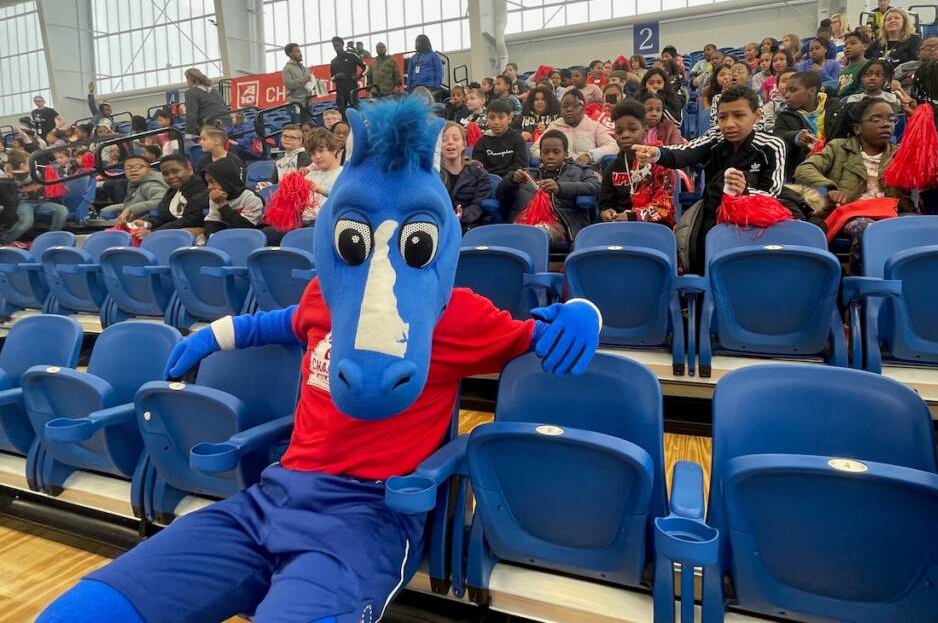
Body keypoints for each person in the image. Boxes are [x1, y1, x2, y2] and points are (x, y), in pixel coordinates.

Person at [40, 99, 602, 623]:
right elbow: (281, 322)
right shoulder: (324, 296)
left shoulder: (459, 316)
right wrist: (216, 332)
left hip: (370, 518)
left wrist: (583, 309)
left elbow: (535, 335)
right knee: (90, 606)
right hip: (272, 497)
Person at [632, 86, 795, 273]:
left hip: (758, 224)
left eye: (739, 115)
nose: (729, 124)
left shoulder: (772, 145)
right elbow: (686, 152)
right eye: (722, 117)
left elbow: (773, 194)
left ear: (757, 116)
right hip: (716, 217)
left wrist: (746, 191)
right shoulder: (714, 137)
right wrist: (657, 153)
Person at [795, 98, 913, 267]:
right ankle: (864, 282)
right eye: (876, 119)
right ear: (858, 128)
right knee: (869, 230)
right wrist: (830, 188)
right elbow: (803, 170)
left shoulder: (900, 153)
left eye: (891, 119)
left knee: (917, 227)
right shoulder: (838, 147)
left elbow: (927, 172)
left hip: (892, 213)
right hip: (852, 214)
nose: (886, 124)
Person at [499, 129, 599, 244]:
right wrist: (511, 180)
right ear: (540, 154)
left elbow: (596, 187)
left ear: (566, 154)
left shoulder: (579, 171)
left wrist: (560, 188)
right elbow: (501, 197)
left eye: (556, 152)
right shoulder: (528, 173)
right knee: (505, 236)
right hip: (524, 222)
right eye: (546, 152)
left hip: (558, 225)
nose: (550, 156)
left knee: (537, 233)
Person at [598, 100, 676, 227]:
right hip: (618, 227)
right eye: (619, 131)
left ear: (645, 130)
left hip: (654, 228)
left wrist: (631, 217)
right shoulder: (612, 169)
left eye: (632, 129)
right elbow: (606, 204)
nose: (625, 135)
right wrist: (607, 212)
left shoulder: (661, 163)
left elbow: (664, 209)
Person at [1, 150, 69, 247]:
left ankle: (50, 239)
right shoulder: (13, 176)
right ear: (21, 165)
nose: (33, 164)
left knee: (62, 210)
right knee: (27, 222)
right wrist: (12, 172)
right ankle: (4, 240)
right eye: (29, 162)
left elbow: (41, 179)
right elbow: (23, 181)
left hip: (41, 202)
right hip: (24, 203)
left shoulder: (36, 171)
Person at [532, 89, 618, 165]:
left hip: (588, 173)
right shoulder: (554, 127)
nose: (569, 110)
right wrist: (557, 156)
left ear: (583, 107)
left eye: (574, 106)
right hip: (560, 173)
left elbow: (614, 146)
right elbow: (534, 149)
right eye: (565, 106)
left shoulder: (594, 126)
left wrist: (590, 155)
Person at [133, 154, 209, 235]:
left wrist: (154, 232)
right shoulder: (172, 191)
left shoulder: (200, 188)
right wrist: (147, 223)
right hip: (168, 233)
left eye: (175, 171)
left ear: (189, 170)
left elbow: (192, 219)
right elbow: (162, 214)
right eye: (165, 174)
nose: (170, 176)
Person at [439, 122, 491, 232]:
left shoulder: (479, 173)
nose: (450, 143)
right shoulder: (433, 175)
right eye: (444, 139)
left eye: (455, 138)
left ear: (464, 144)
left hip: (469, 225)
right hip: (440, 224)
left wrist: (460, 216)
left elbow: (479, 205)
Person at [775, 70, 823, 178]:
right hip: (803, 165)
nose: (786, 95)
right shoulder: (784, 115)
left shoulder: (834, 108)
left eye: (793, 90)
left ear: (811, 91)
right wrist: (797, 137)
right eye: (786, 91)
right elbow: (778, 134)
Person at [100, 154, 169, 225]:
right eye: (128, 168)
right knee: (106, 212)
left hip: (150, 223)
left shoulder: (151, 184)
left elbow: (162, 200)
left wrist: (130, 209)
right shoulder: (135, 183)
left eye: (139, 166)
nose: (133, 170)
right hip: (138, 212)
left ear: (149, 169)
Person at [203, 157, 263, 236]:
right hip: (225, 237)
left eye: (212, 182)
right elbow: (211, 225)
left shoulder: (250, 198)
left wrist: (223, 204)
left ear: (226, 181)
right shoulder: (216, 198)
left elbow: (245, 228)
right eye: (208, 183)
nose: (209, 187)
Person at [472, 99, 527, 178]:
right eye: (492, 118)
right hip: (488, 181)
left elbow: (520, 165)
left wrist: (507, 178)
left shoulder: (517, 139)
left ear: (509, 118)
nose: (496, 122)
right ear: (487, 118)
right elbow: (478, 167)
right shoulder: (481, 142)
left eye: (501, 117)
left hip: (512, 181)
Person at [183, 68, 230, 135]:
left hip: (210, 127)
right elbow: (224, 106)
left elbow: (191, 116)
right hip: (227, 124)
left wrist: (189, 135)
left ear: (189, 79)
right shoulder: (215, 90)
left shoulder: (190, 92)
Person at [329, 36, 366, 112]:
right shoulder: (333, 61)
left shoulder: (352, 56)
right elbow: (332, 78)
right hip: (340, 93)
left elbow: (366, 67)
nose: (336, 48)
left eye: (338, 45)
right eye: (334, 46)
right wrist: (337, 76)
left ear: (342, 44)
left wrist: (359, 76)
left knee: (356, 111)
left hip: (352, 91)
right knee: (342, 114)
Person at [282, 43, 314, 121]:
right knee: (299, 129)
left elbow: (309, 84)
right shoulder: (287, 69)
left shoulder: (305, 68)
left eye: (299, 51)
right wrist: (303, 80)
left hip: (307, 103)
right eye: (297, 51)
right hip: (295, 105)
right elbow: (289, 85)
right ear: (290, 54)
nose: (300, 53)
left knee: (309, 128)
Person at [837, 29, 870, 97]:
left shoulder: (869, 66)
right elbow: (839, 93)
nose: (848, 47)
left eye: (853, 43)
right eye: (845, 45)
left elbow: (864, 90)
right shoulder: (842, 71)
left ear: (865, 46)